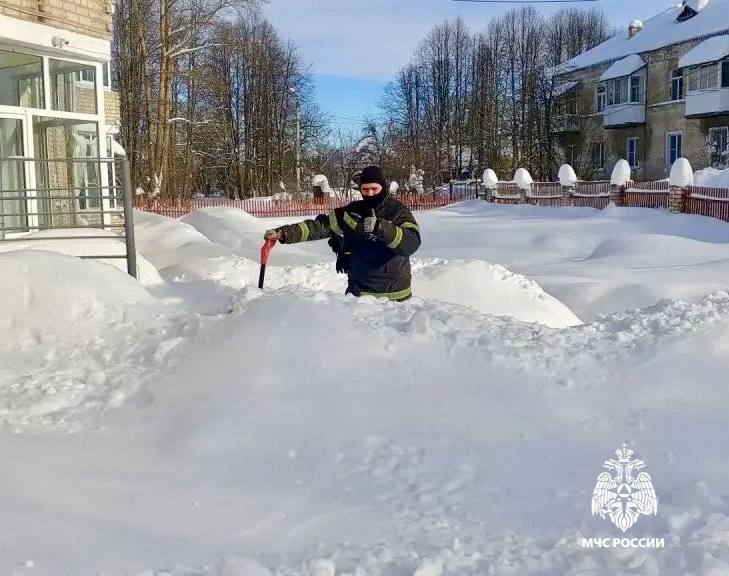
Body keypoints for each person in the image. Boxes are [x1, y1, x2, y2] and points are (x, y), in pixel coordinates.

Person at [264, 166, 421, 301]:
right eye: (365, 190)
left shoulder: (397, 211)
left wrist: (381, 228)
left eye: (374, 189)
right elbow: (320, 226)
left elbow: (412, 243)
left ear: (383, 188)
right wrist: (283, 233)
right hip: (357, 295)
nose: (370, 194)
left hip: (394, 298)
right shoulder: (352, 211)